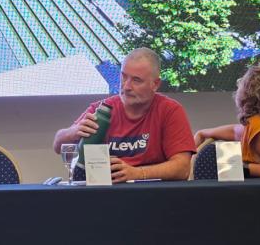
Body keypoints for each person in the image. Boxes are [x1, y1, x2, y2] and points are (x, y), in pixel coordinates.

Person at [52, 48, 195, 182]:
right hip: (105, 195)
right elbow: (58, 146)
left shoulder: (169, 110)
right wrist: (74, 132)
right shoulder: (101, 109)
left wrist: (137, 173)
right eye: (124, 77)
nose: (126, 86)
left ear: (155, 84)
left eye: (136, 80)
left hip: (152, 196)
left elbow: (182, 168)